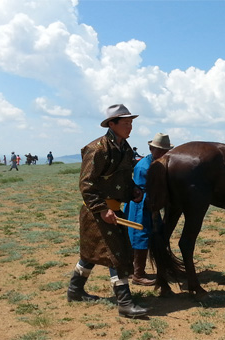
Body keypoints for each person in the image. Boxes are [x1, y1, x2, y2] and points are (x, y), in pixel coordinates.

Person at [67, 103, 147, 318]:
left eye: (131, 123)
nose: (130, 127)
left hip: (114, 211)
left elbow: (123, 179)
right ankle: (125, 303)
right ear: (112, 124)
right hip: (97, 212)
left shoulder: (125, 148)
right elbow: (86, 183)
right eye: (126, 123)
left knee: (91, 254)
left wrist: (134, 191)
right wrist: (102, 209)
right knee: (117, 254)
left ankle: (75, 290)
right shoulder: (98, 148)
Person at [124, 133, 173, 286]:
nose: (161, 153)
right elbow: (140, 191)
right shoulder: (144, 167)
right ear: (151, 148)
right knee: (140, 236)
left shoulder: (155, 163)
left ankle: (131, 270)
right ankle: (138, 274)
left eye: (164, 150)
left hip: (150, 204)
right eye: (158, 150)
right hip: (141, 204)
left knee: (140, 235)